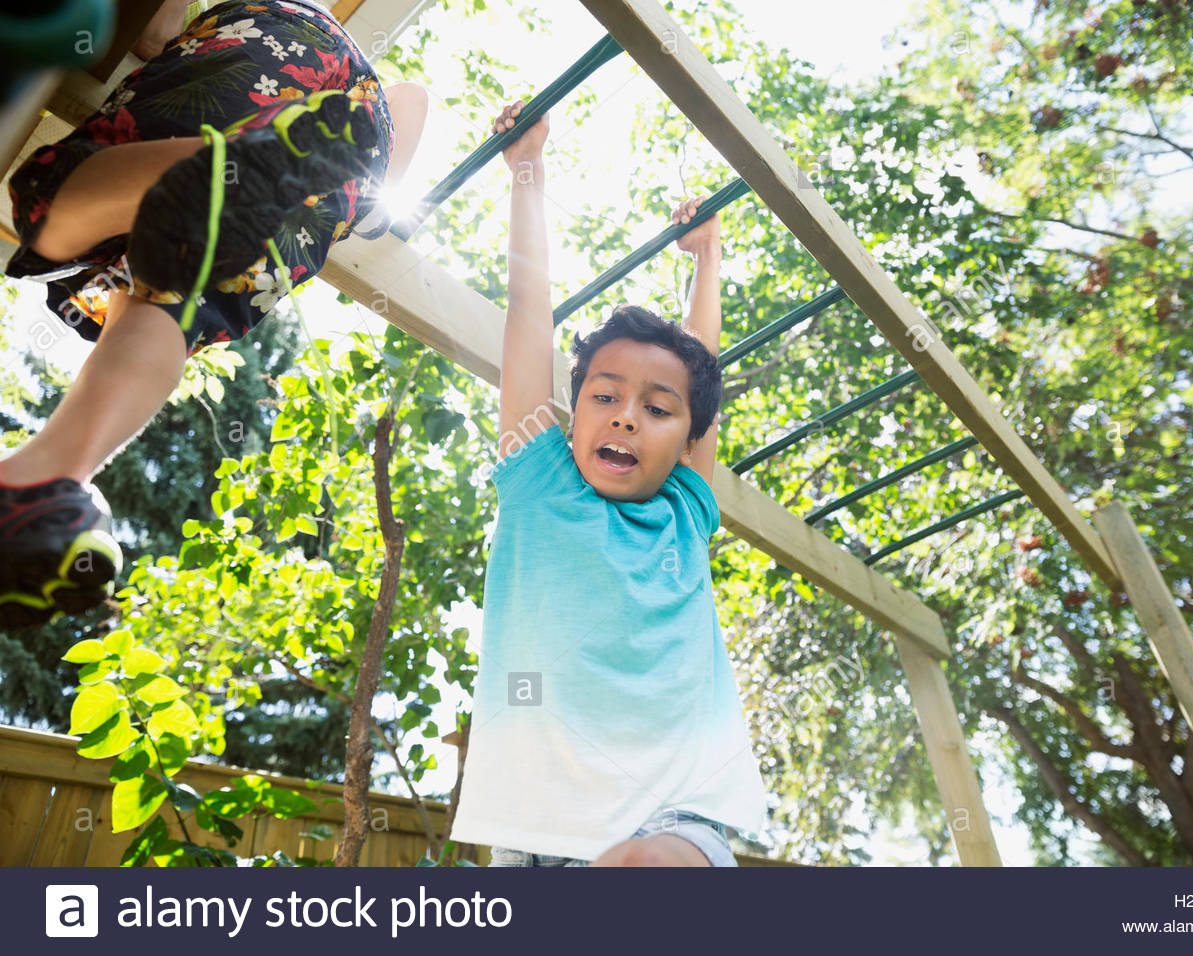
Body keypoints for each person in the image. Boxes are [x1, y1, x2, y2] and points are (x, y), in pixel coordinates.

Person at [0, 0, 428, 628]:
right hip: (353, 158)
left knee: (54, 198)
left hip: (261, 40)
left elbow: (153, 31)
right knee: (178, 303)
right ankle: (49, 478)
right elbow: (380, 194)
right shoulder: (400, 95)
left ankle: (208, 167)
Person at [447, 99, 767, 866]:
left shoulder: (686, 509)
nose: (626, 417)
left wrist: (707, 258)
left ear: (687, 436)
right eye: (604, 396)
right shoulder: (540, 482)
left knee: (644, 870)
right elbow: (530, 315)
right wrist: (528, 169)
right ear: (573, 407)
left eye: (656, 410)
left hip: (671, 813)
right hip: (536, 829)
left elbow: (701, 368)